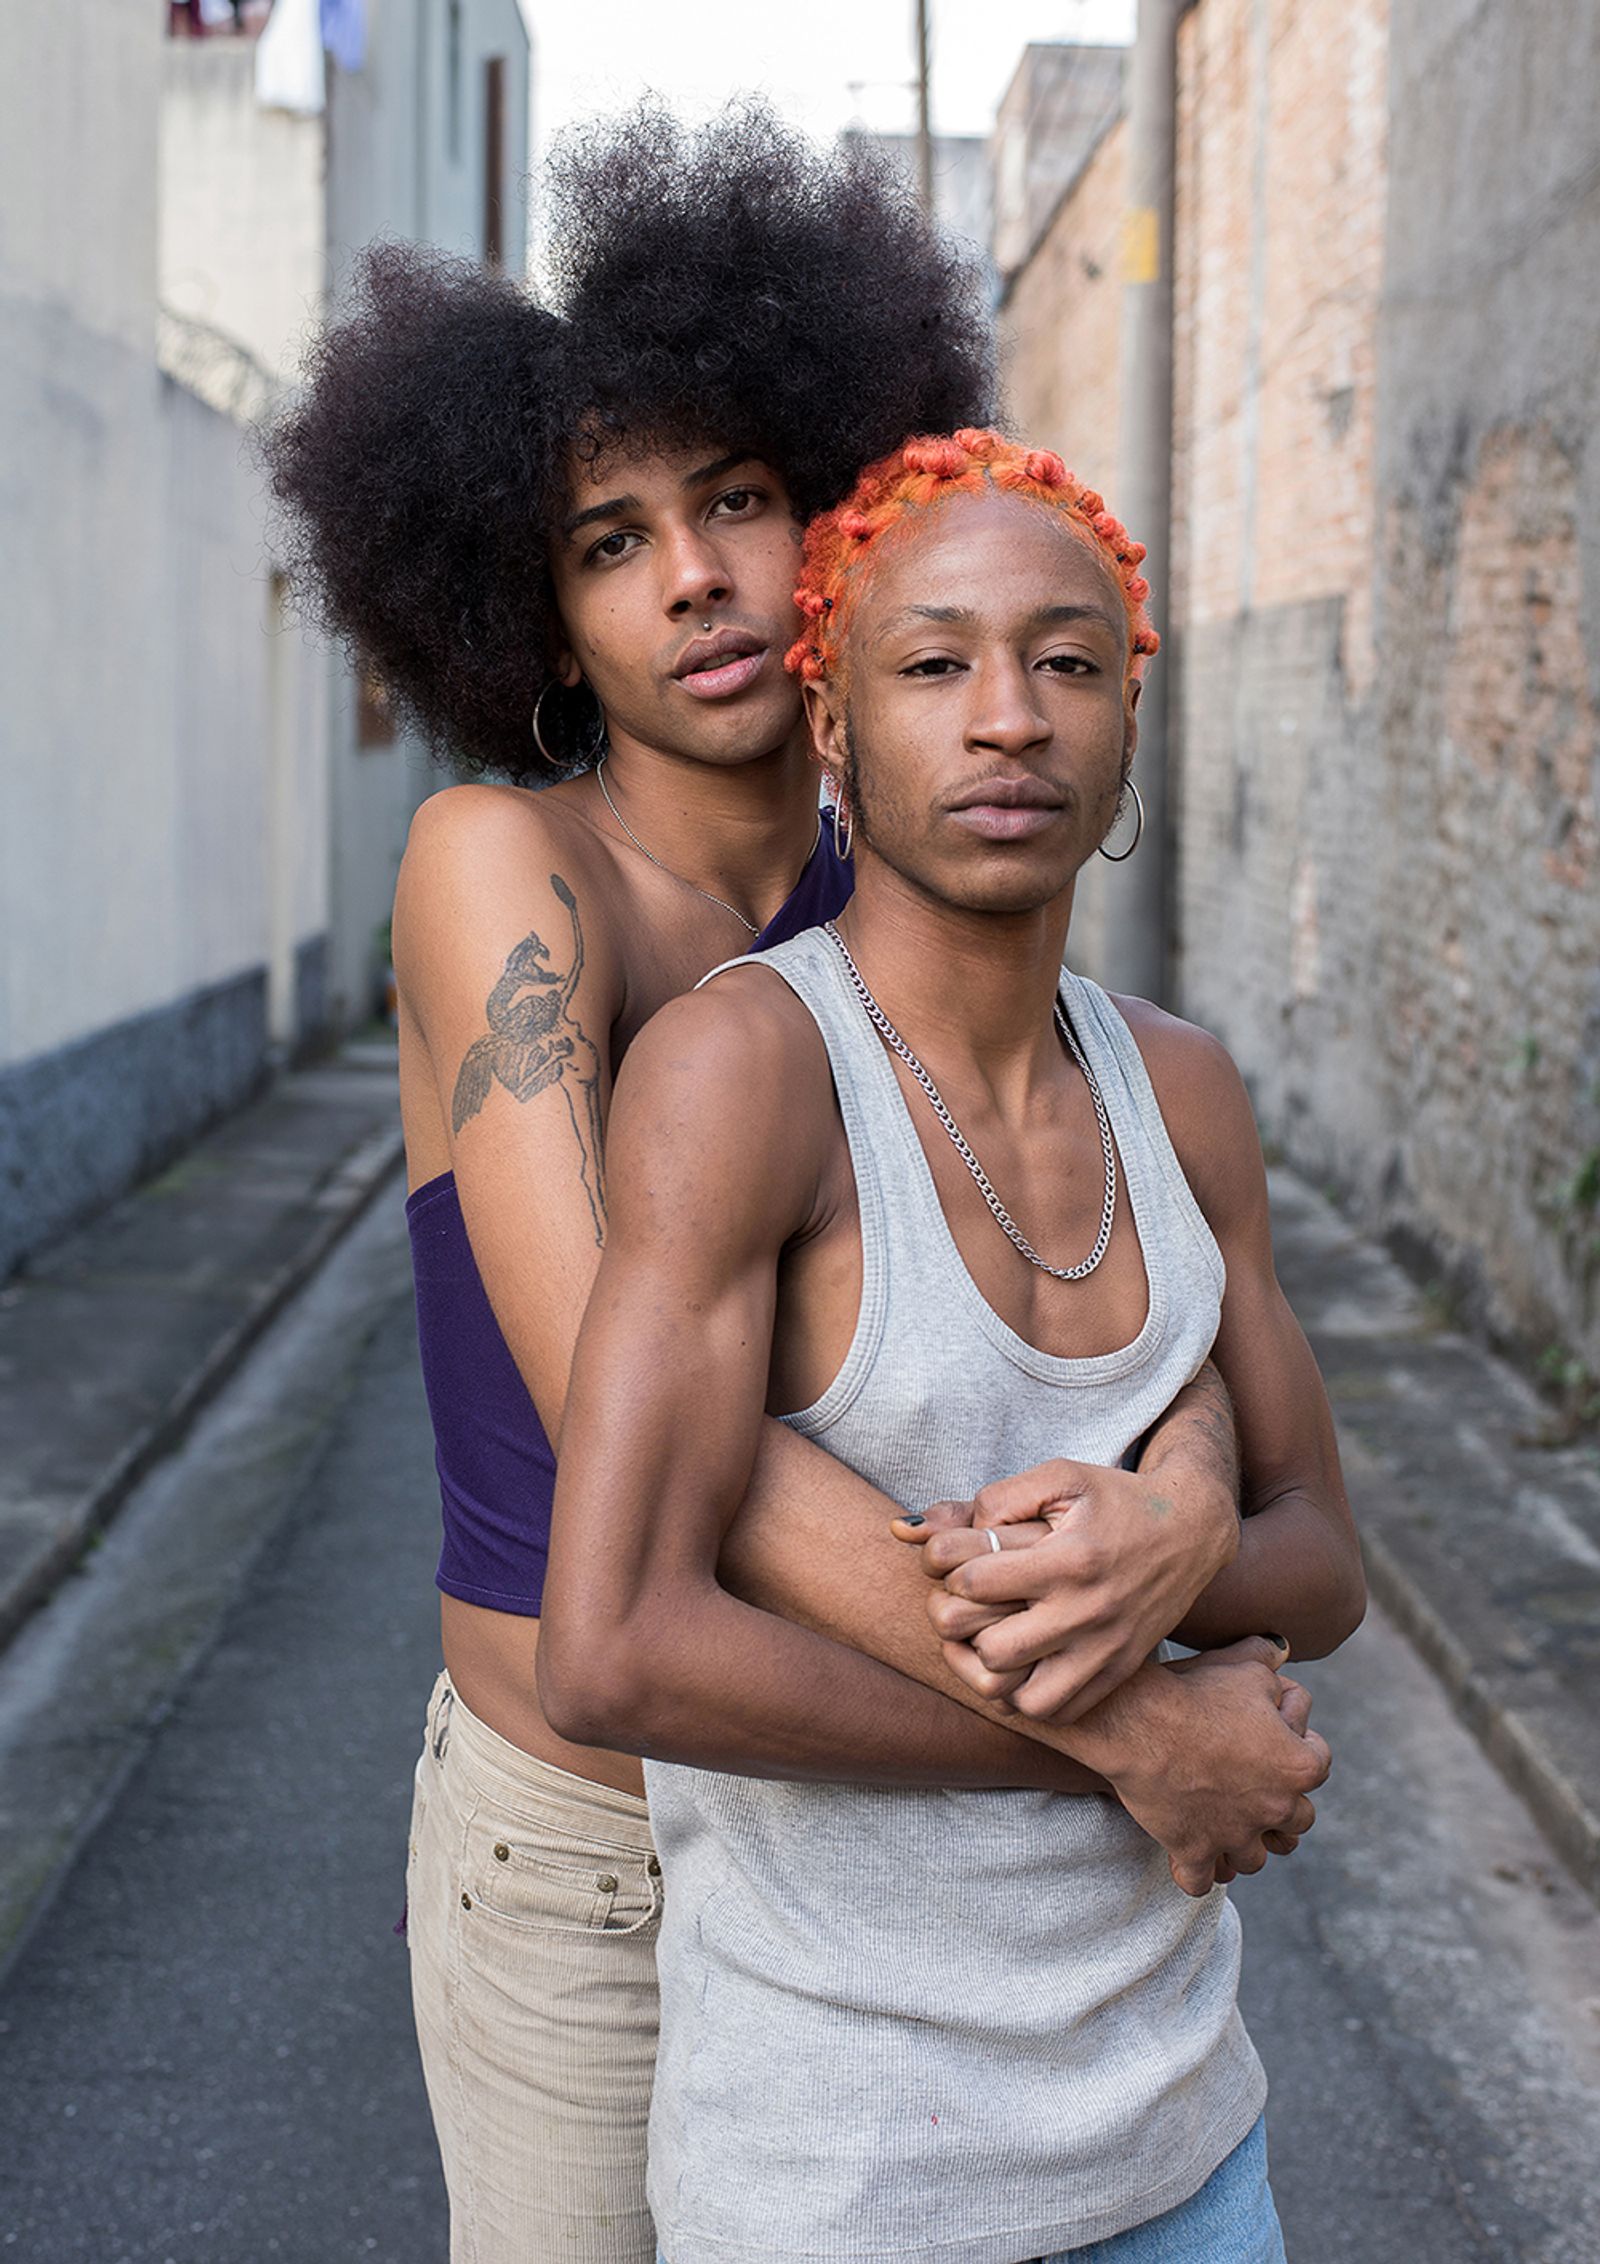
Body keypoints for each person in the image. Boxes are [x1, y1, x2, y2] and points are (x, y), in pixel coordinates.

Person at [268, 111, 1293, 2263]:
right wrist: (1133, 1729)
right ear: (529, 609)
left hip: (865, 1838)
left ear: (825, 522)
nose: (697, 580)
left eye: (734, 499)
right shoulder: (503, 871)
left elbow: (1126, 1267)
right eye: (608, 541)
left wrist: (1186, 1505)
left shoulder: (920, 854)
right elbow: (653, 1438)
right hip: (598, 1843)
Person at [540, 427, 1366, 2263]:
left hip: (1188, 2153)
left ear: (1129, 722)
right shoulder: (745, 1071)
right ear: (832, 726)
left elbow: (1327, 1557)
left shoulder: (1184, 1092)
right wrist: (1135, 1734)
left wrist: (1192, 1540)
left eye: (1070, 662)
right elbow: (614, 1645)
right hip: (849, 2181)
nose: (1010, 717)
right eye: (934, 665)